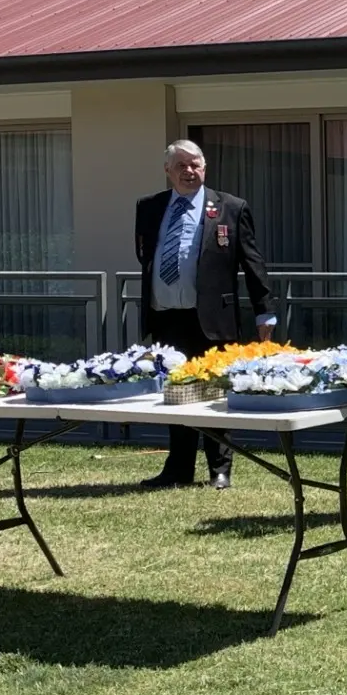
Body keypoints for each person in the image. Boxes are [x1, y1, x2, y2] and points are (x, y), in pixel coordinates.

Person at [134, 139, 274, 490]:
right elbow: (144, 255)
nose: (189, 171)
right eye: (180, 165)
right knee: (176, 394)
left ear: (205, 168)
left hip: (213, 317)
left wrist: (264, 312)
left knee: (215, 395)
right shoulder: (149, 207)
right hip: (166, 317)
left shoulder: (230, 207)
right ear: (168, 170)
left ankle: (220, 469)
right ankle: (178, 468)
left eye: (195, 164)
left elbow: (252, 262)